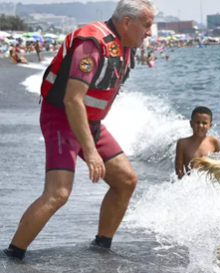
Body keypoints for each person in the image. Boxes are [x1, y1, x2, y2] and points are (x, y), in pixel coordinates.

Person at [3, 0, 155, 261]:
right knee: (58, 193)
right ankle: (12, 255)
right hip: (62, 117)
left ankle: (101, 247)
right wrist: (91, 152)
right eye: (147, 25)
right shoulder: (91, 42)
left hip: (89, 122)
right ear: (127, 22)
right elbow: (72, 100)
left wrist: (91, 141)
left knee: (126, 180)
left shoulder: (125, 44)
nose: (150, 33)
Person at [175, 106, 220, 179]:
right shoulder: (182, 143)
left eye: (204, 123)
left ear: (210, 125)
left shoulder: (214, 142)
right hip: (190, 183)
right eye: (197, 122)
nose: (200, 125)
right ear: (191, 124)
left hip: (209, 182)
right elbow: (179, 171)